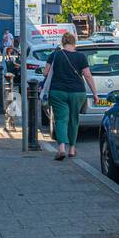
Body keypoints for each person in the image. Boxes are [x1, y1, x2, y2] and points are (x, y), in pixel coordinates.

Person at [44, 31, 97, 160]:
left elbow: (46, 72)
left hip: (58, 92)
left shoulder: (55, 55)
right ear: (74, 43)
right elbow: (88, 75)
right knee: (74, 120)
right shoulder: (81, 57)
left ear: (63, 42)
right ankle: (72, 149)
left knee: (61, 119)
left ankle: (61, 148)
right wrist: (95, 93)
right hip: (77, 92)